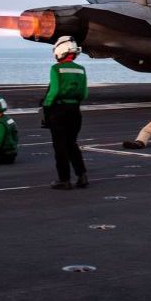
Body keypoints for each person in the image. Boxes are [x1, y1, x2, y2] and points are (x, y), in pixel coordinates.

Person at [43, 36, 88, 189]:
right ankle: (82, 176)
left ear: (61, 50)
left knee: (60, 146)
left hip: (59, 111)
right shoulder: (81, 69)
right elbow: (84, 94)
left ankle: (64, 179)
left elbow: (53, 92)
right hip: (75, 111)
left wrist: (46, 107)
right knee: (72, 144)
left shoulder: (56, 69)